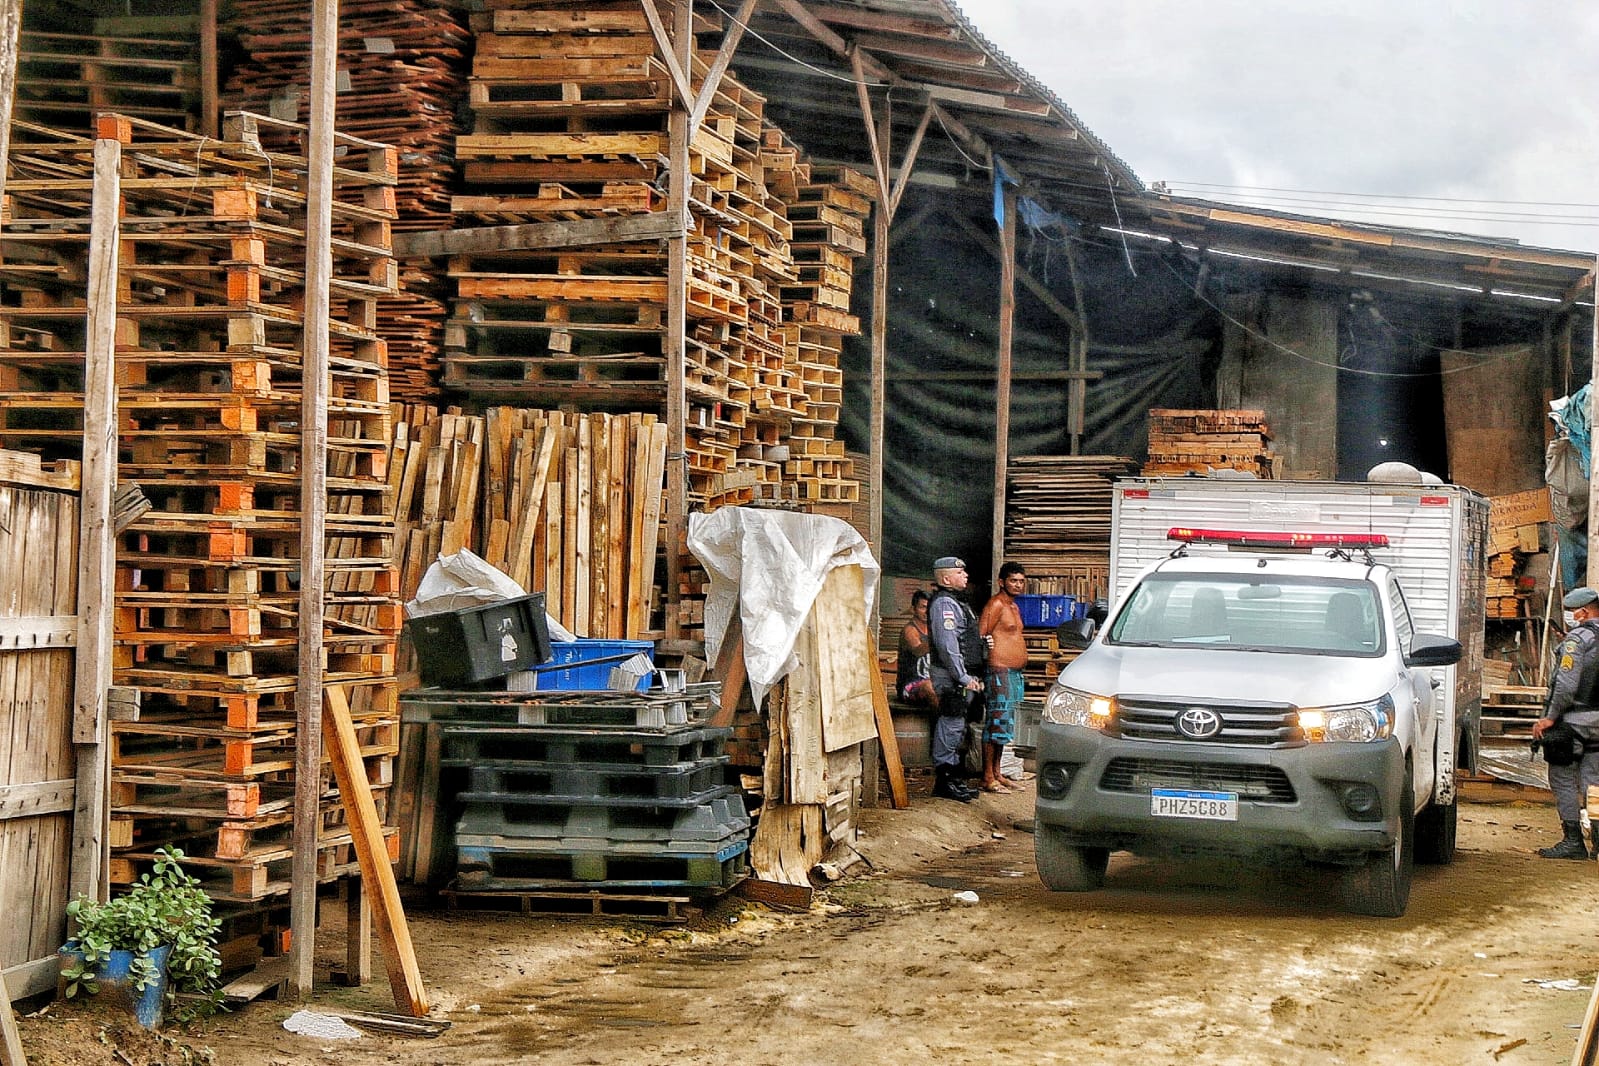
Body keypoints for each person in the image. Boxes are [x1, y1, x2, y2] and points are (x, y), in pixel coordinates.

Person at [1532, 586, 1599, 859]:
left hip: (1572, 722)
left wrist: (1549, 718)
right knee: (1594, 782)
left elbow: (1565, 685)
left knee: (1562, 778)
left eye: (1573, 612)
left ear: (1583, 611)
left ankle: (1573, 841)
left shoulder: (1577, 640)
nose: (1571, 616)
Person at [926, 555, 985, 802]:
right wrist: (962, 677)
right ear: (947, 578)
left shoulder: (958, 602)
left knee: (958, 726)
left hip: (962, 677)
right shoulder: (944, 605)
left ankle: (954, 779)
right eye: (960, 573)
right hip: (951, 679)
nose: (966, 576)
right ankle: (945, 781)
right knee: (950, 725)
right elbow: (947, 645)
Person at [979, 562, 1028, 793]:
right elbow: (981, 635)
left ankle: (998, 772)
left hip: (1014, 673)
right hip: (999, 671)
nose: (1017, 585)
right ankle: (988, 776)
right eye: (1013, 580)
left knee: (1005, 724)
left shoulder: (1014, 607)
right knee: (996, 721)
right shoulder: (996, 604)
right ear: (1002, 582)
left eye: (1020, 581)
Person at [896, 590, 938, 708]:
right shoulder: (909, 630)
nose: (927, 612)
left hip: (933, 680)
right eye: (923, 607)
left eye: (930, 607)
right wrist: (940, 641)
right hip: (910, 685)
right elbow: (918, 650)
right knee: (930, 687)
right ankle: (942, 724)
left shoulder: (933, 629)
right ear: (913, 609)